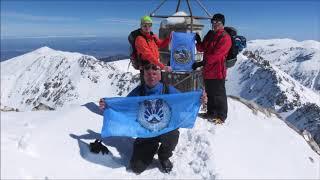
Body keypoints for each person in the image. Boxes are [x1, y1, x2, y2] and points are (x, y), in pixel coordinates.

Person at [99, 63, 179, 174]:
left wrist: (200, 99)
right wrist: (108, 105)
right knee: (136, 168)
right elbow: (124, 105)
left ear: (160, 76)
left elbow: (184, 102)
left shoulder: (168, 90)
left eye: (154, 74)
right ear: (144, 76)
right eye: (148, 74)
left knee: (173, 134)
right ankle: (149, 146)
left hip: (165, 130)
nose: (151, 76)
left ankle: (163, 156)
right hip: (145, 133)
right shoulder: (138, 92)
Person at [192, 13, 232, 124]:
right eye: (213, 22)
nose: (215, 25)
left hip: (218, 71)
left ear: (222, 24)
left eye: (217, 22)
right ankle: (211, 113)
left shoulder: (225, 38)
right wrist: (198, 41)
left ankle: (221, 116)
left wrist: (201, 63)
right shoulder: (210, 35)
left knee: (219, 94)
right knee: (210, 93)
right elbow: (202, 48)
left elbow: (216, 55)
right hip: (208, 71)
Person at [135, 15, 172, 83]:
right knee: (148, 88)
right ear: (141, 26)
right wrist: (162, 66)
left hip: (155, 65)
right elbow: (148, 55)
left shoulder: (152, 36)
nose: (147, 27)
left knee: (158, 86)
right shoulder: (140, 39)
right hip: (147, 67)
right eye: (144, 25)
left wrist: (169, 38)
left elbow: (161, 44)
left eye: (149, 25)